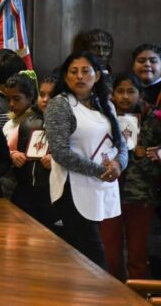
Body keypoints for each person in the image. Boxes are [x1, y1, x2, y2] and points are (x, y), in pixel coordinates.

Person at [45, 51, 128, 269]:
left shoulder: (105, 103)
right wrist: (99, 170)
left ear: (97, 76)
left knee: (90, 254)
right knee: (93, 256)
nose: (80, 77)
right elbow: (60, 152)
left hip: (102, 185)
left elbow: (120, 143)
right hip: (73, 188)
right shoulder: (60, 105)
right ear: (65, 77)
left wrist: (119, 164)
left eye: (86, 71)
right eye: (74, 72)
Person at [99, 73, 161, 279]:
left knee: (137, 253)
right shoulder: (103, 118)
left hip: (141, 193)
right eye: (120, 91)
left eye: (131, 91)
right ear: (112, 94)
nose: (125, 97)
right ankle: (112, 293)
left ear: (140, 94)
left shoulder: (155, 118)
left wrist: (154, 153)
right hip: (109, 191)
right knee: (110, 251)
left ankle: (139, 295)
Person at [3, 72, 54, 226]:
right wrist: (13, 155)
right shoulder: (27, 123)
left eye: (51, 95)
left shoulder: (67, 124)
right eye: (42, 95)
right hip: (25, 189)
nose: (45, 100)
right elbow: (7, 150)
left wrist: (57, 160)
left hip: (52, 192)